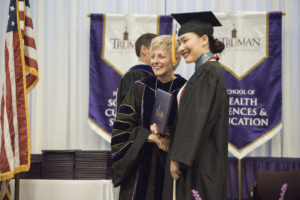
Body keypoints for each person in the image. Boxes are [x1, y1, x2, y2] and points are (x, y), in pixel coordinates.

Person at [163, 11, 229, 200]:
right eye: (179, 43)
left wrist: (178, 158)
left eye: (185, 41)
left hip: (200, 163)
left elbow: (196, 119)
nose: (181, 47)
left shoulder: (208, 72)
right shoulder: (204, 71)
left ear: (204, 39)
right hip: (197, 160)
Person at [111, 35, 186, 200]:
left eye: (161, 56)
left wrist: (169, 134)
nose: (155, 61)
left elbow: (190, 128)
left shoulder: (184, 89)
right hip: (140, 164)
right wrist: (148, 136)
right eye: (152, 56)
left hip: (171, 164)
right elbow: (122, 128)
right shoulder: (139, 88)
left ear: (174, 60)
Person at [116, 33, 157, 109]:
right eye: (156, 49)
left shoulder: (156, 75)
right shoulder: (133, 75)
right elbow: (129, 109)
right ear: (144, 49)